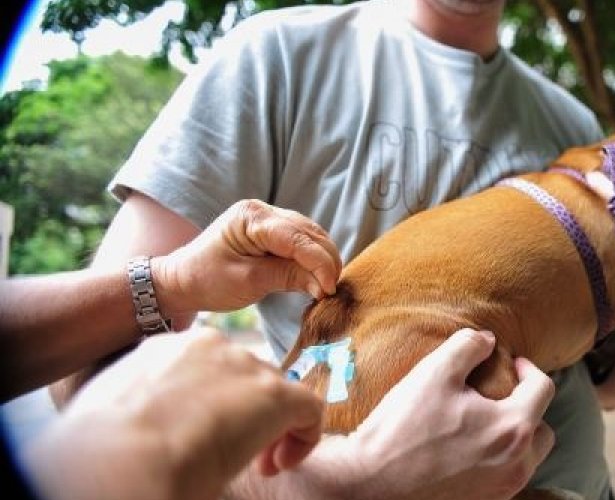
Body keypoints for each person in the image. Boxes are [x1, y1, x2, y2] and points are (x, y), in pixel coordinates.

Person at [64, 0, 615, 498]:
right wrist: (325, 485)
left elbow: (614, 388)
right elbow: (91, 374)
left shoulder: (569, 124)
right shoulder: (273, 58)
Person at [1, 201, 555, 500]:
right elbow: (84, 386)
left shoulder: (571, 125)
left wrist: (174, 279)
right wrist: (353, 481)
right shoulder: (266, 59)